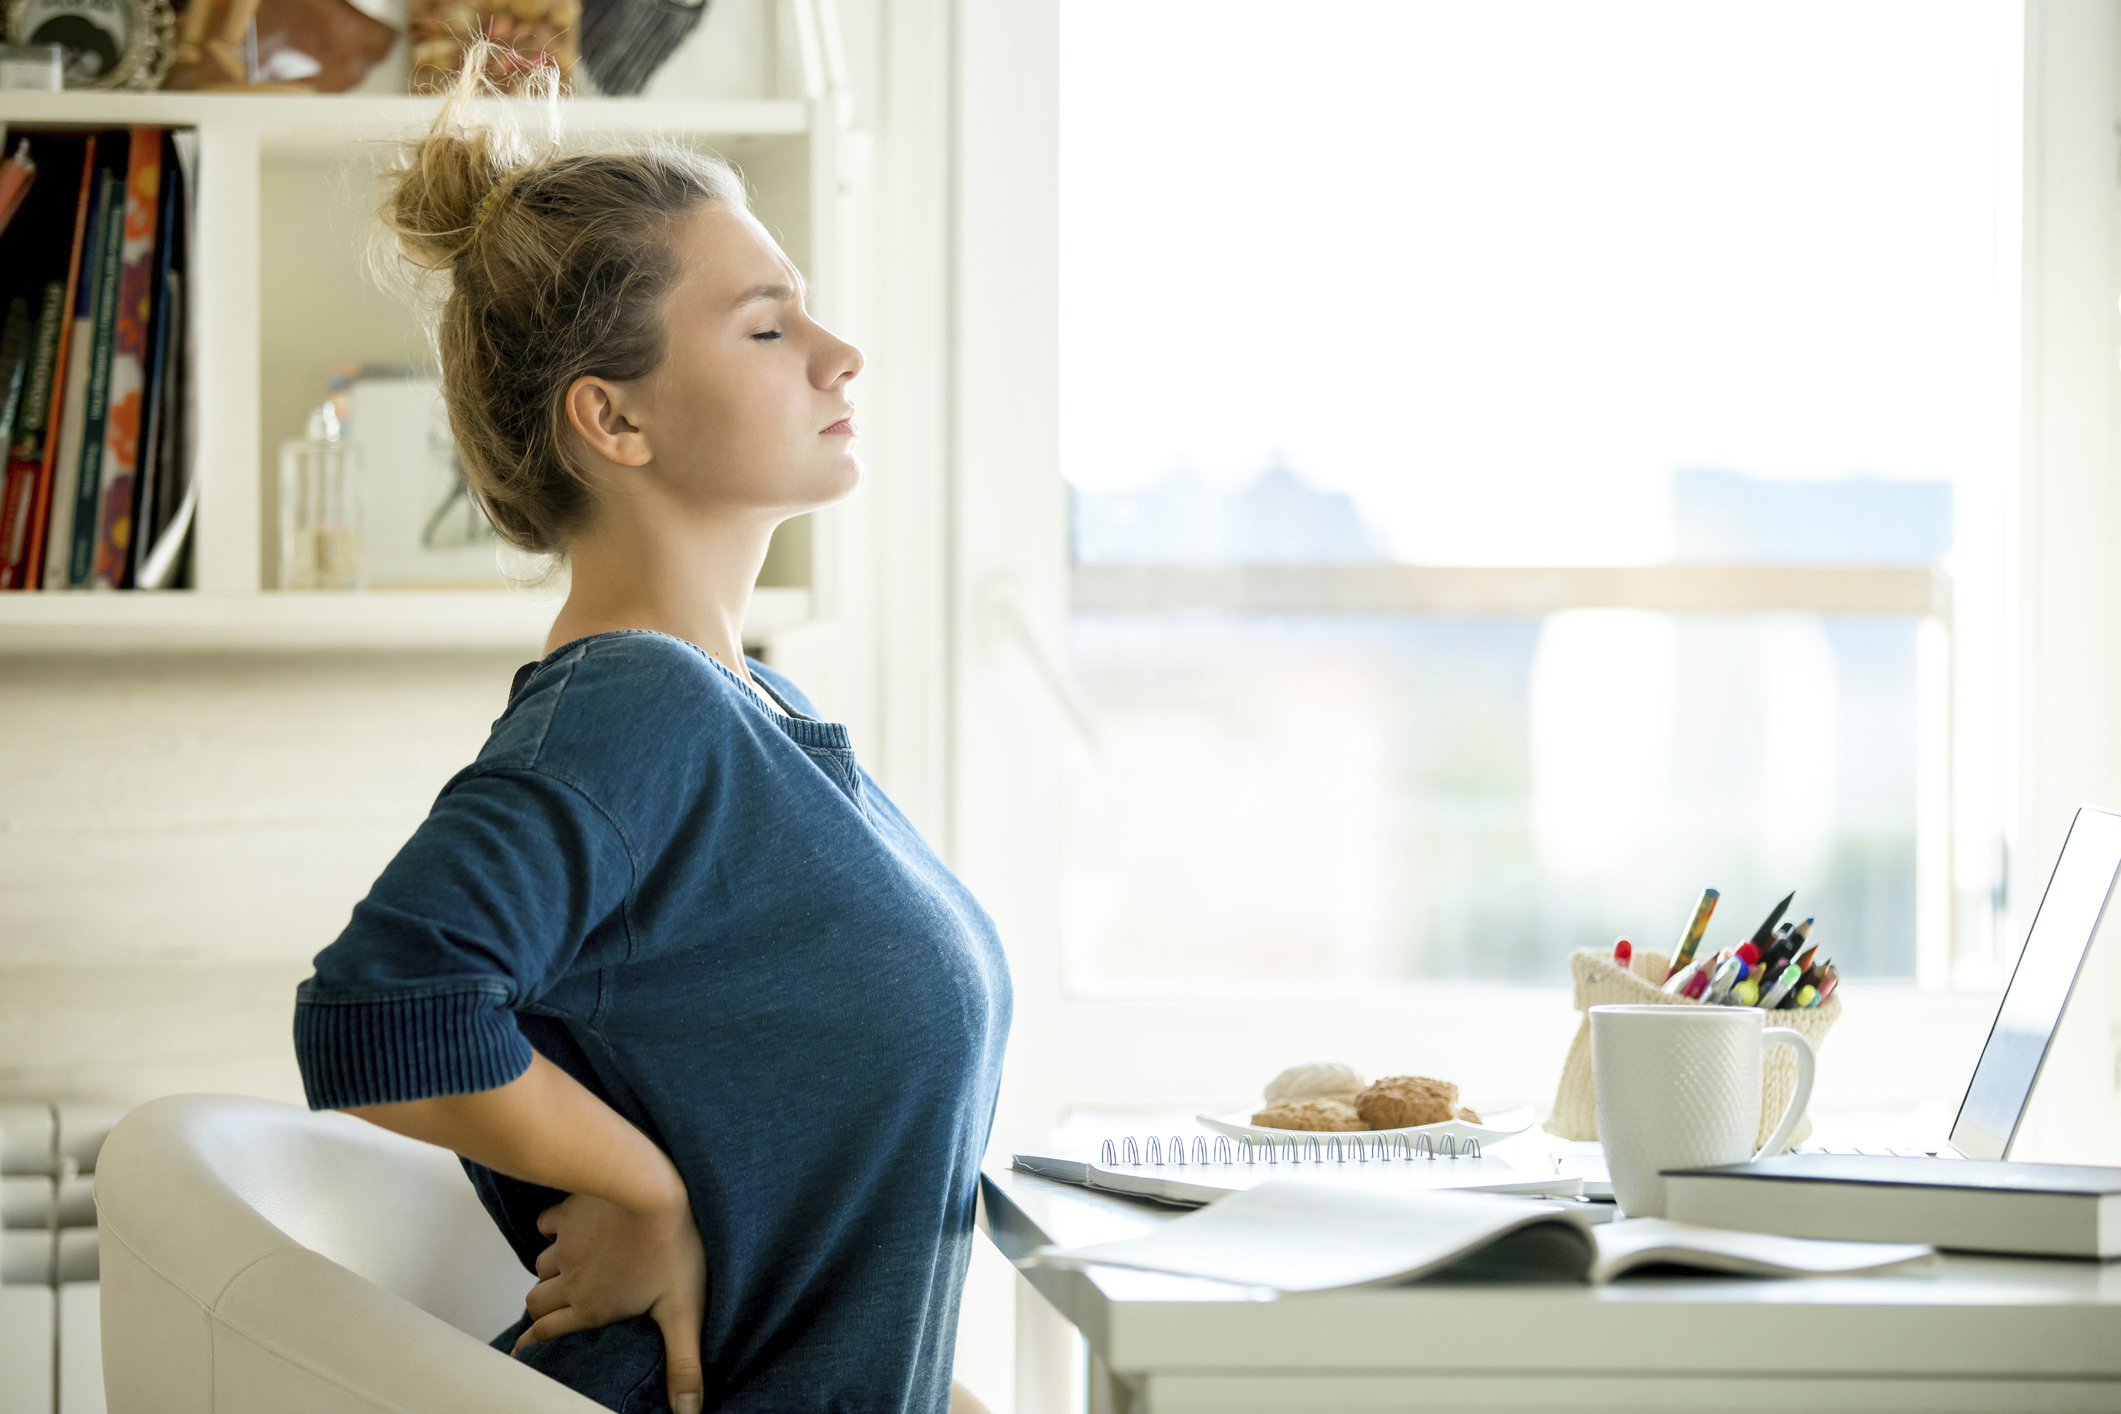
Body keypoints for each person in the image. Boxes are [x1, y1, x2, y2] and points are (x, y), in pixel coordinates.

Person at [292, 55, 1012, 1414]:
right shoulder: (638, 706)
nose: (837, 352)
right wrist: (639, 1182)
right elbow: (378, 1009)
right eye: (764, 326)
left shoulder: (761, 709)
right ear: (610, 416)